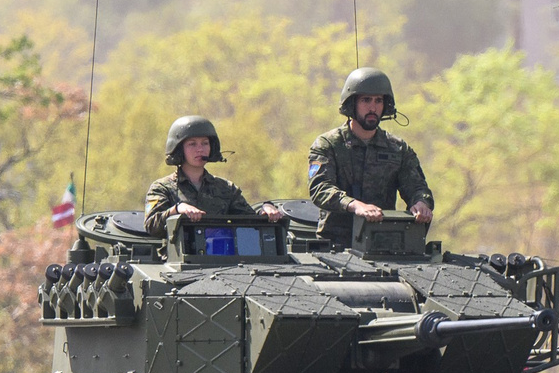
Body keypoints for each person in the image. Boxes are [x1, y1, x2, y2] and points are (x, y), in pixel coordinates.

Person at [306, 68, 434, 247]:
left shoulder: (397, 149)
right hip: (335, 245)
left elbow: (417, 187)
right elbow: (320, 189)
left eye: (378, 101)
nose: (373, 108)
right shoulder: (329, 145)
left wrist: (421, 202)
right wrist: (354, 205)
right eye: (366, 100)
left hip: (382, 244)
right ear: (352, 104)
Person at [142, 115, 285, 229]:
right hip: (177, 261)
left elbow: (250, 221)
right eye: (192, 144)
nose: (200, 149)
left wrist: (265, 209)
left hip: (221, 259)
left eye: (205, 143)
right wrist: (177, 210)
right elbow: (151, 226)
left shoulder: (226, 189)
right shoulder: (162, 188)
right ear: (179, 149)